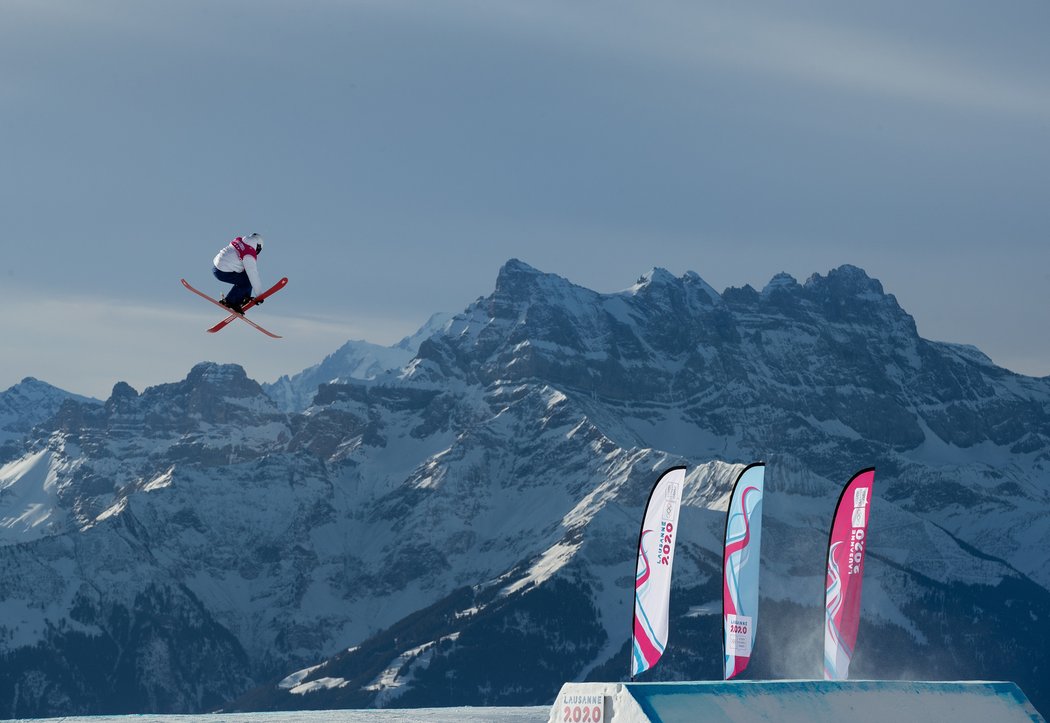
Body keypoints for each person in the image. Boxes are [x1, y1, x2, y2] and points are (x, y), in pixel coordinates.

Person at [212, 233, 264, 313]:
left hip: (216, 268)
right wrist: (259, 295)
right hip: (222, 272)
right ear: (258, 246)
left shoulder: (238, 240)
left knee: (245, 278)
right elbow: (253, 274)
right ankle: (230, 301)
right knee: (248, 280)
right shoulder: (249, 253)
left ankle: (244, 298)